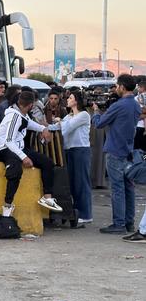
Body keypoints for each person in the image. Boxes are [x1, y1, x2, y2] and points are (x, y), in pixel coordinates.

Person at [0, 91, 62, 217]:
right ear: (31, 105)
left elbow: (29, 124)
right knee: (15, 171)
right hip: (5, 148)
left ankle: (47, 197)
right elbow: (9, 141)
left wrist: (43, 129)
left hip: (19, 148)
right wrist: (24, 157)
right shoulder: (14, 116)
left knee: (47, 162)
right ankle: (7, 205)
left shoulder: (22, 115)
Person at [91, 74, 141, 234]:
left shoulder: (118, 106)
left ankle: (118, 224)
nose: (116, 88)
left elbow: (99, 124)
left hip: (114, 151)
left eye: (117, 85)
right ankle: (129, 223)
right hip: (128, 151)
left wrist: (96, 112)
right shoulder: (135, 105)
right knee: (129, 188)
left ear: (122, 87)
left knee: (118, 189)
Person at [48, 91, 92, 224]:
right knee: (72, 182)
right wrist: (43, 127)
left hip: (80, 150)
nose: (67, 100)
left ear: (76, 101)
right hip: (69, 150)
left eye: (70, 98)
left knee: (81, 182)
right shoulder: (70, 115)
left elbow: (67, 128)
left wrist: (59, 121)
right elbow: (57, 127)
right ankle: (75, 211)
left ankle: (85, 214)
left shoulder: (83, 115)